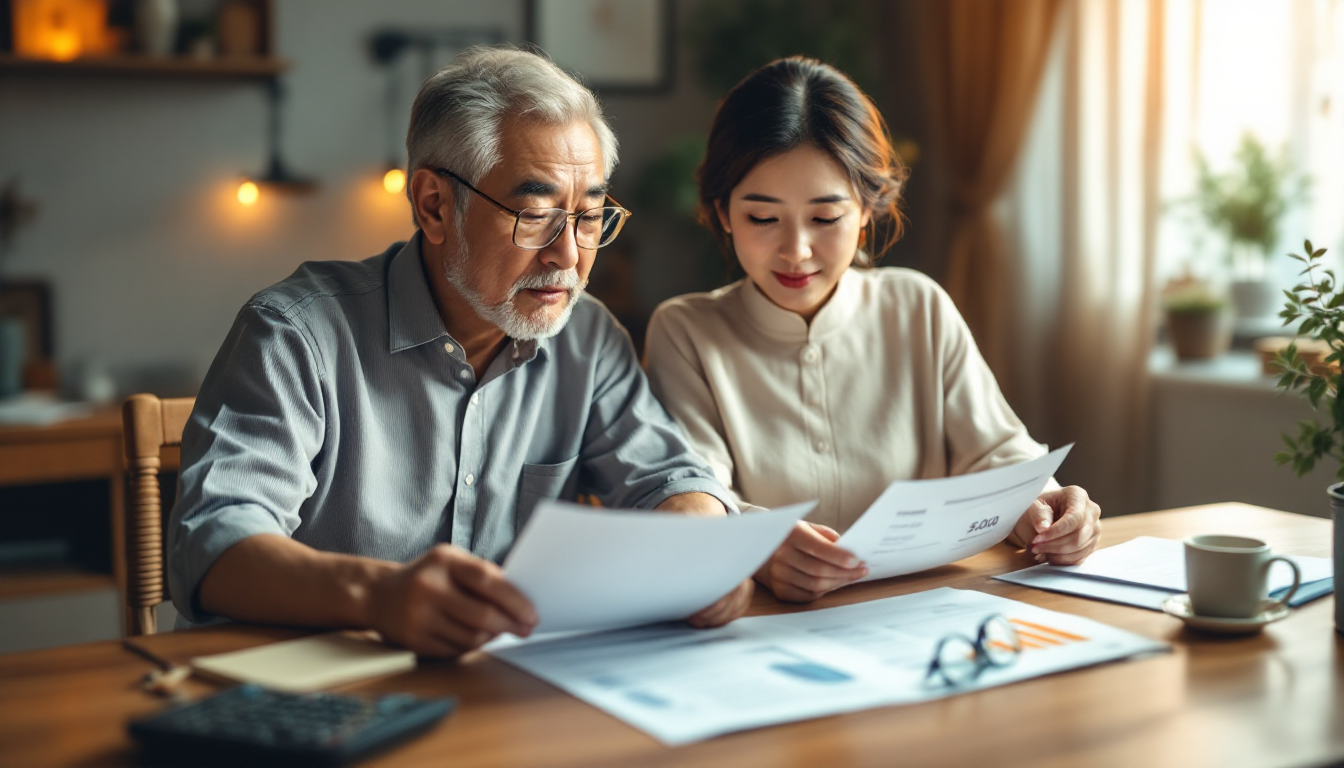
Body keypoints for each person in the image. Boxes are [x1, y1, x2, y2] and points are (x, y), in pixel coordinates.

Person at [167, 46, 750, 658]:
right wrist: (377, 596)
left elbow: (670, 478)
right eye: (534, 214)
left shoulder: (588, 338)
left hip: (499, 698)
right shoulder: (296, 333)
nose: (569, 257)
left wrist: (704, 549)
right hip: (306, 693)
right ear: (434, 205)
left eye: (589, 217)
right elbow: (213, 540)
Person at [643, 57, 1101, 604]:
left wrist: (1046, 505)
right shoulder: (686, 330)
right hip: (765, 626)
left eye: (825, 217)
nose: (796, 251)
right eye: (763, 219)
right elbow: (698, 494)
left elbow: (998, 451)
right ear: (721, 213)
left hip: (926, 614)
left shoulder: (917, 305)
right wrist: (758, 547)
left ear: (866, 207)